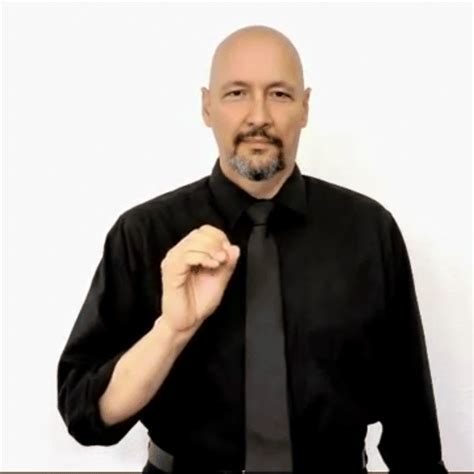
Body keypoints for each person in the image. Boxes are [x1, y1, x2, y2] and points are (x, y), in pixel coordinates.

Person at [57, 25, 448, 473]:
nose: (258, 115)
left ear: (305, 107)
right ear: (207, 106)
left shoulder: (368, 229)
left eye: (279, 94)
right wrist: (172, 331)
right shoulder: (143, 233)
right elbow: (85, 414)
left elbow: (409, 414)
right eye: (236, 93)